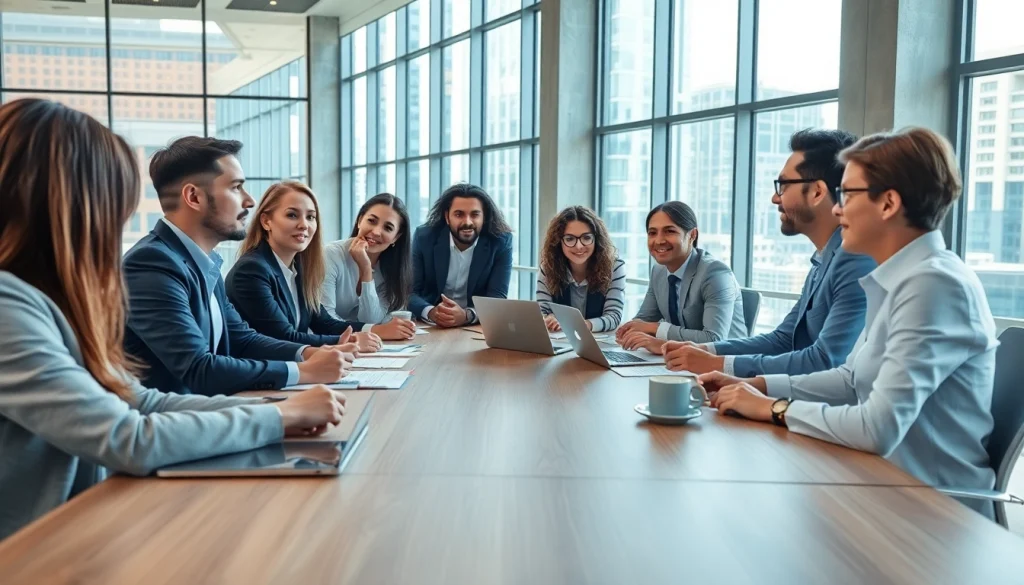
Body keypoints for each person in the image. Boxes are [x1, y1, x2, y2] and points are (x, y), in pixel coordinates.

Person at [0, 99, 348, 540]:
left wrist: (283, 409)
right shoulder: (9, 305)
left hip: (85, 522)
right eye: (113, 198)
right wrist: (279, 416)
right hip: (38, 547)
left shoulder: (54, 297)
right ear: (71, 204)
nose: (120, 216)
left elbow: (140, 401)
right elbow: (129, 436)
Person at [702, 127, 998, 518]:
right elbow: (848, 379)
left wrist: (773, 407)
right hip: (877, 484)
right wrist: (752, 385)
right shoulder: (897, 278)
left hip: (929, 511)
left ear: (889, 203)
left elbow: (877, 428)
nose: (838, 209)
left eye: (849, 194)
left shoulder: (934, 284)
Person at [123, 137, 355, 396]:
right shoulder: (151, 264)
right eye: (236, 188)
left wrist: (311, 353)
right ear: (194, 197)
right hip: (175, 426)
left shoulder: (204, 262)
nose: (250, 201)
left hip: (215, 413)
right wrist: (305, 371)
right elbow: (199, 369)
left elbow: (242, 339)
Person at [659, 130, 876, 379]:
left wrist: (718, 365)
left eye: (783, 185)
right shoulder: (823, 259)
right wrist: (704, 351)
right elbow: (784, 339)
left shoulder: (855, 260)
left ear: (817, 192)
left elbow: (826, 360)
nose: (775, 198)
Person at [226, 181, 385, 351]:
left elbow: (324, 323)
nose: (304, 225)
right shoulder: (252, 270)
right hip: (264, 372)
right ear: (266, 221)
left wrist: (373, 331)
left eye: (310, 217)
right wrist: (346, 341)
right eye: (292, 215)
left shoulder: (298, 268)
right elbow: (283, 337)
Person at [617, 201, 745, 349]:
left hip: (725, 363)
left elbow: (714, 338)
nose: (659, 240)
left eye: (669, 231)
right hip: (680, 360)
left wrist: (657, 331)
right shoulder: (659, 270)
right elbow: (643, 321)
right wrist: (629, 332)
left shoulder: (715, 274)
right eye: (652, 233)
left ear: (692, 235)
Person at [409, 183, 514, 328]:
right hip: (430, 325)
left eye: (475, 214)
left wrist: (466, 316)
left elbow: (497, 298)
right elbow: (409, 291)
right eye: (459, 214)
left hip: (475, 326)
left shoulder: (500, 241)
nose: (467, 222)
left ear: (484, 217)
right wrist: (431, 312)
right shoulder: (424, 237)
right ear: (447, 217)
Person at [321, 193, 417, 341]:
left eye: (388, 227)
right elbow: (324, 320)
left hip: (365, 346)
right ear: (360, 221)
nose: (376, 231)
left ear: (396, 237)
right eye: (371, 221)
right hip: (327, 343)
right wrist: (375, 330)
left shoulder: (393, 269)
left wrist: (366, 271)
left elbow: (372, 319)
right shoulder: (330, 255)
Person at [536, 206, 626, 333]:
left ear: (596, 239)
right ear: (558, 242)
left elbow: (614, 316)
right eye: (569, 239)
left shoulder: (615, 267)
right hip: (560, 343)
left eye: (586, 238)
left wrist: (583, 325)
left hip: (601, 345)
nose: (579, 246)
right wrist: (549, 319)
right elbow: (542, 312)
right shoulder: (548, 268)